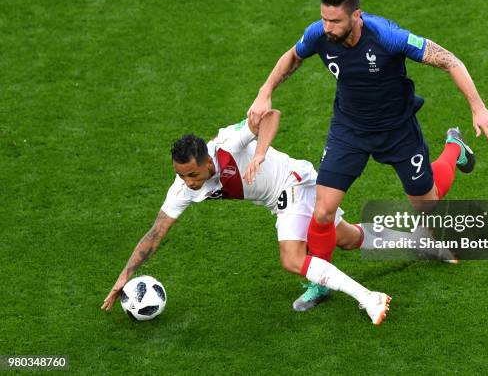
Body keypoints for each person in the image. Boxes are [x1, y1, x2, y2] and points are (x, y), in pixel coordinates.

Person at [247, 0, 488, 279]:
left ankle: (454, 149)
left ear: (356, 16)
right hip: (349, 130)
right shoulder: (319, 34)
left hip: (397, 130)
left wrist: (478, 108)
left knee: (427, 203)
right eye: (324, 19)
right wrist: (265, 90)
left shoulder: (387, 37)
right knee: (323, 211)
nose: (327, 28)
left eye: (335, 21)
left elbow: (449, 61)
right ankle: (319, 283)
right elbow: (293, 55)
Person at [101, 110, 393, 324]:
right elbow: (156, 233)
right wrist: (125, 274)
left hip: (293, 183)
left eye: (192, 174)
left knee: (292, 258)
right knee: (349, 239)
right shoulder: (183, 190)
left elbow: (271, 116)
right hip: (279, 201)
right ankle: (428, 244)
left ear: (207, 162)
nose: (187, 182)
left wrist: (260, 154)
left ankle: (369, 297)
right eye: (180, 175)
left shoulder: (228, 143)